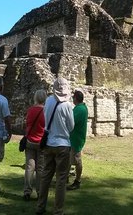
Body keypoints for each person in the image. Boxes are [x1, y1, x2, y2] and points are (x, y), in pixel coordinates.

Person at [36, 78, 74, 215]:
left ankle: (40, 206)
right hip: (63, 144)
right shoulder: (67, 105)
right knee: (61, 179)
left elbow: (46, 120)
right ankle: (58, 211)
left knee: (46, 176)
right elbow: (71, 126)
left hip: (49, 143)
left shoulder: (49, 101)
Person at [23, 89, 47, 201]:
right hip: (41, 142)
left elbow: (27, 123)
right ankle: (39, 193)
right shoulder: (45, 111)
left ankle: (27, 191)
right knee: (40, 169)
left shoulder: (31, 110)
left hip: (30, 141)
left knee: (29, 168)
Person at [67, 90, 88, 190]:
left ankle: (77, 181)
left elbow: (71, 122)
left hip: (76, 139)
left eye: (73, 98)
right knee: (68, 159)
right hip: (75, 138)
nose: (72, 99)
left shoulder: (79, 109)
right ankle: (65, 177)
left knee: (77, 160)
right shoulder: (81, 107)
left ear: (76, 98)